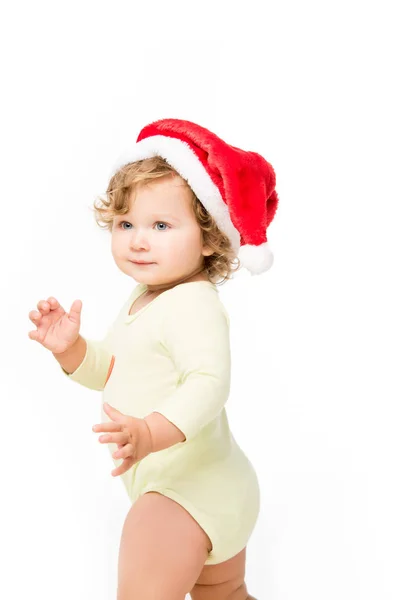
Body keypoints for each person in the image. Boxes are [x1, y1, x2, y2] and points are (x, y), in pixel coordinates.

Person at [28, 118, 279, 599]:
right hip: (218, 485)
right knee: (224, 594)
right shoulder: (150, 295)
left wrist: (149, 433)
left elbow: (209, 382)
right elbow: (114, 370)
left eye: (161, 225)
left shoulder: (193, 302)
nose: (138, 240)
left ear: (209, 238)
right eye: (126, 224)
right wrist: (73, 350)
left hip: (182, 490)